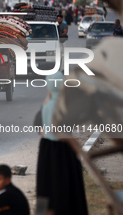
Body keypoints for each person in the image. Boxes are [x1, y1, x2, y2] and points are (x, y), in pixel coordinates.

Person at [34, 71, 88, 215]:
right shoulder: (62, 105)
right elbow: (60, 132)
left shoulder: (47, 103)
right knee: (64, 188)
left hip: (46, 149)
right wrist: (75, 145)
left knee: (47, 188)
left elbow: (40, 127)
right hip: (62, 151)